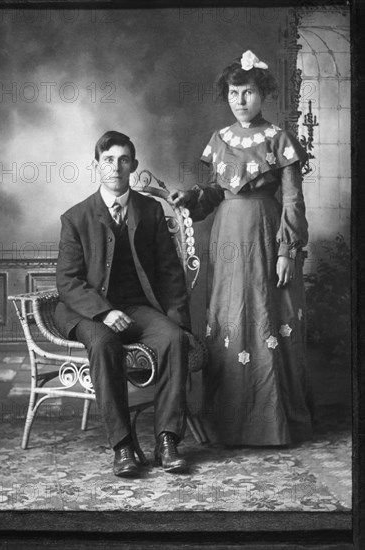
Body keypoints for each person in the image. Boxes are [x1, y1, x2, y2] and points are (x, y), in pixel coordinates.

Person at [171, 50, 314, 447]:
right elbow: (217, 192)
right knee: (230, 314)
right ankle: (227, 423)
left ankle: (272, 423)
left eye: (248, 92)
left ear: (262, 93)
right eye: (234, 93)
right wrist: (193, 196)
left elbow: (292, 200)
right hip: (228, 236)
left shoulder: (279, 139)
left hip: (267, 236)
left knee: (269, 312)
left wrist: (287, 250)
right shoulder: (220, 140)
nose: (240, 101)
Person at [55, 130, 191, 477]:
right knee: (104, 343)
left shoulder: (150, 210)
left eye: (123, 160)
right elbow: (68, 282)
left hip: (135, 306)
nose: (116, 167)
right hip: (86, 310)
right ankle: (123, 446)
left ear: (134, 165)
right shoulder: (76, 217)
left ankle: (167, 441)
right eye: (108, 160)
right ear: (97, 165)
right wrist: (104, 311)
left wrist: (177, 319)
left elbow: (170, 270)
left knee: (173, 339)